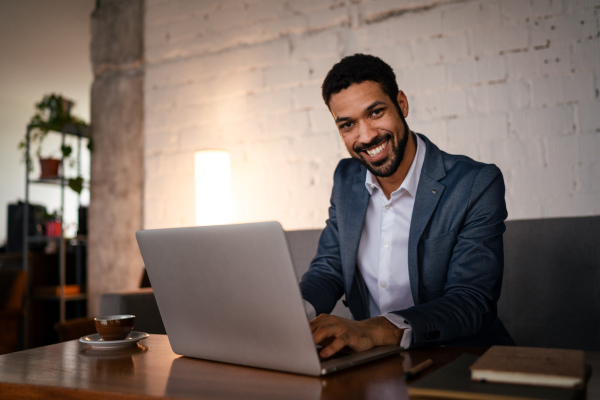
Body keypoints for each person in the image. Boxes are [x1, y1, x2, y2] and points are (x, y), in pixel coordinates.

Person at [299, 54, 514, 359]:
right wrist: (293, 314)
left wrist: (371, 330)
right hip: (374, 364)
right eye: (348, 125)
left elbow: (470, 301)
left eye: (375, 112)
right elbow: (330, 267)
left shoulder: (475, 184)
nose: (366, 136)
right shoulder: (346, 179)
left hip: (458, 362)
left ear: (401, 104)